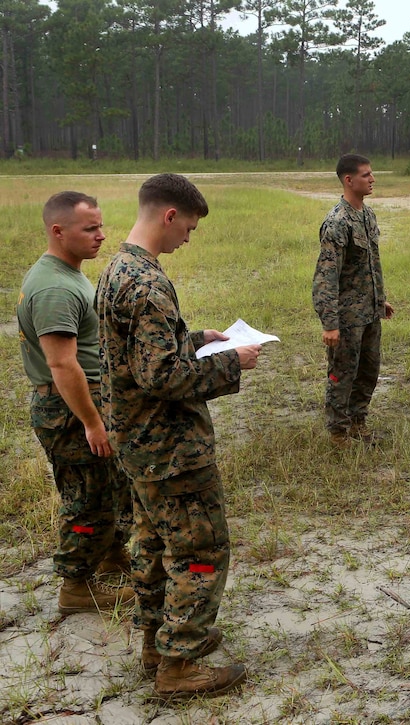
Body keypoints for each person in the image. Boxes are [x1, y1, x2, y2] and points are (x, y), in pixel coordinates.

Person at [97, 173, 260, 700]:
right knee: (200, 548)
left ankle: (157, 643)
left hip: (137, 442)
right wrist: (232, 361)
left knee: (151, 543)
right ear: (169, 216)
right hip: (170, 447)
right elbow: (162, 376)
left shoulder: (119, 269)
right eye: (187, 227)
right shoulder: (147, 284)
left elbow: (136, 356)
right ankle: (180, 665)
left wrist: (196, 340)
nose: (188, 238)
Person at [16, 191, 135, 615]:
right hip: (70, 412)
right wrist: (92, 422)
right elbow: (62, 365)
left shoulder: (67, 273)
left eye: (101, 226)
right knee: (86, 498)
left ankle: (109, 553)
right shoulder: (53, 288)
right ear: (58, 231)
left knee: (111, 487)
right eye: (90, 228)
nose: (102, 235)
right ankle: (76, 587)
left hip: (84, 405)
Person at [313, 154, 394, 445]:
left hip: (369, 313)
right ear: (349, 180)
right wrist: (330, 323)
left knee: (369, 370)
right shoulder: (337, 222)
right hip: (346, 318)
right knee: (342, 374)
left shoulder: (367, 215)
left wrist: (379, 301)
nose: (372, 179)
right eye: (366, 175)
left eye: (372, 174)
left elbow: (370, 265)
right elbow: (326, 276)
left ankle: (358, 422)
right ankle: (338, 432)